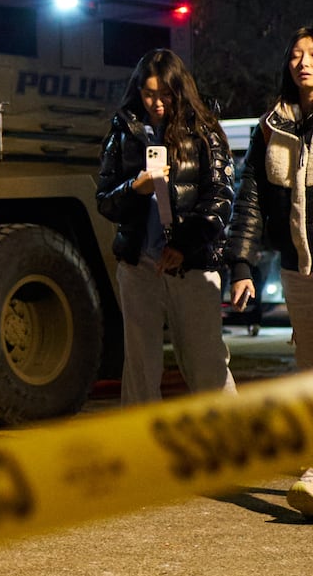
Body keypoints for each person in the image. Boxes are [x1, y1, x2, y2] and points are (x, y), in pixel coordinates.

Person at [96, 48, 236, 405]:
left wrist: (184, 245)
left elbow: (220, 197)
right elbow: (105, 200)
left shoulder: (204, 129)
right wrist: (135, 187)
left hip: (192, 265)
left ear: (179, 90)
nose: (156, 103)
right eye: (148, 94)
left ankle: (232, 446)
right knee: (141, 368)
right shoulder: (124, 130)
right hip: (139, 263)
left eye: (164, 95)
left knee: (207, 365)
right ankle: (143, 451)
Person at [226, 27, 313, 516]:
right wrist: (241, 264)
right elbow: (250, 201)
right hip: (297, 268)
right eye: (296, 55)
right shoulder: (271, 127)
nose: (303, 62)